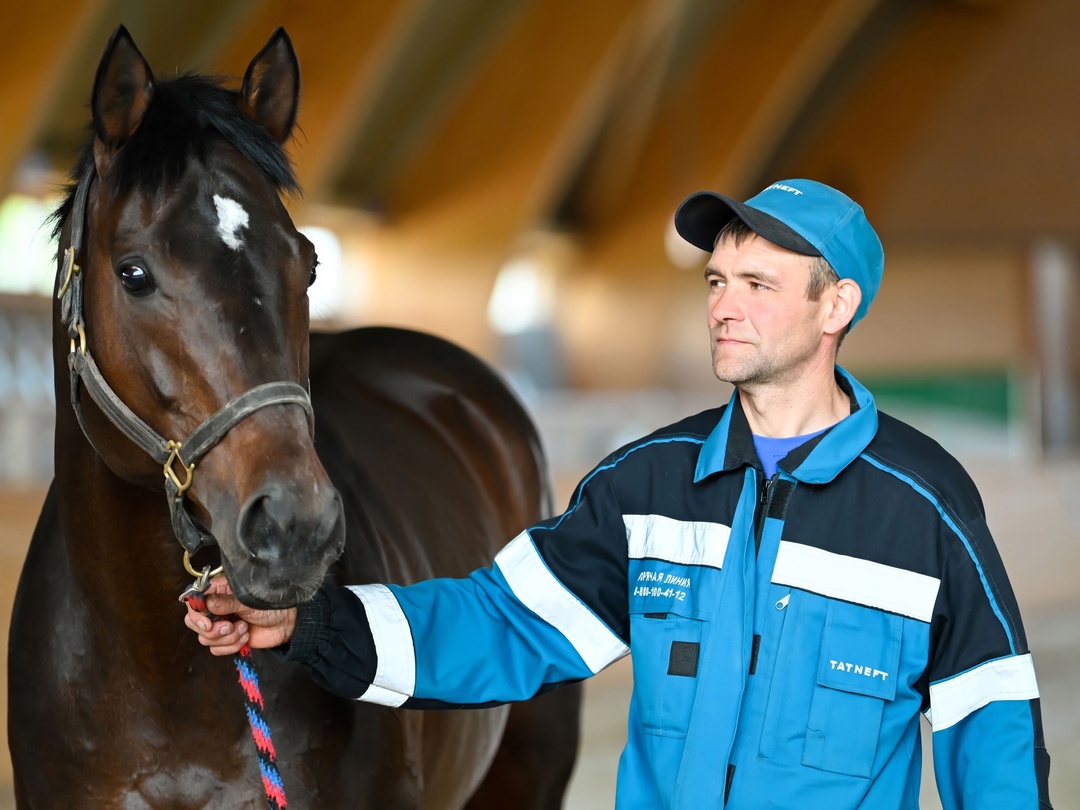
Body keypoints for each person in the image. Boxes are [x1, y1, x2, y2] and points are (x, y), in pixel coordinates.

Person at [187, 179, 1052, 809]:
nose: (724, 306)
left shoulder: (925, 507)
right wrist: (312, 622)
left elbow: (995, 740)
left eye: (759, 286)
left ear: (838, 307)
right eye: (717, 281)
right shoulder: (648, 488)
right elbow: (501, 623)